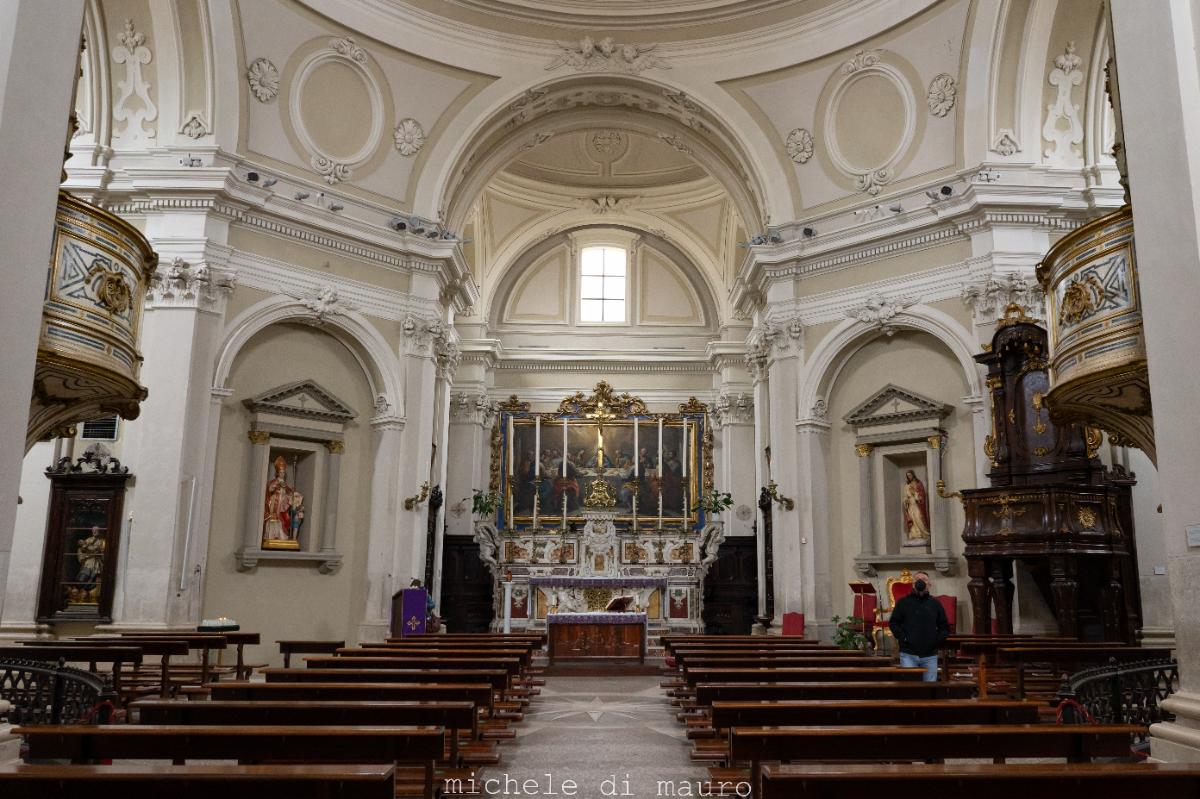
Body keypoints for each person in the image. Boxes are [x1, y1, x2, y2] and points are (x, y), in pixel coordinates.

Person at [887, 571, 949, 681]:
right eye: (917, 580)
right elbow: (893, 623)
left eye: (924, 579)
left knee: (930, 687)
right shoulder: (903, 603)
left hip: (930, 655)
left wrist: (936, 641)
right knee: (910, 687)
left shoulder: (935, 604)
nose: (920, 582)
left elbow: (944, 626)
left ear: (929, 584)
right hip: (908, 654)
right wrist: (903, 637)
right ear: (913, 584)